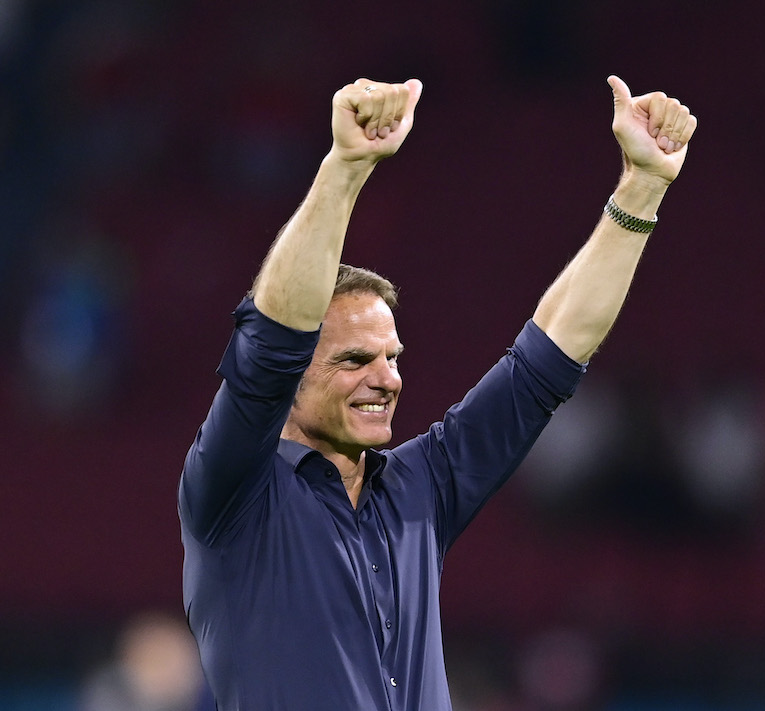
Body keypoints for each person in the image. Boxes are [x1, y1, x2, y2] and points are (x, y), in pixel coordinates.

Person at [179, 74, 697, 711]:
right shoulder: (232, 493)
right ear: (294, 379)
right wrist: (345, 168)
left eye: (392, 358)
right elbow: (270, 343)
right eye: (354, 360)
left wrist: (642, 189)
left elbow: (550, 355)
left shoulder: (421, 486)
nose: (388, 379)